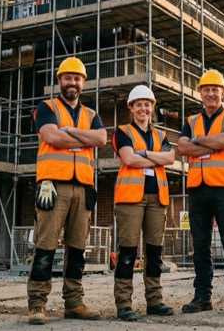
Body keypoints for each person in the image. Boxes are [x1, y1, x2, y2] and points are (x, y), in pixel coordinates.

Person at [27, 57, 107, 325]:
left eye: (77, 78)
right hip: (52, 186)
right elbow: (50, 136)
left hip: (83, 188)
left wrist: (69, 131)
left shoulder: (92, 115)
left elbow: (101, 139)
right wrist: (82, 137)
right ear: (59, 80)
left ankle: (74, 302)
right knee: (45, 246)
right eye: (67, 78)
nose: (72, 82)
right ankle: (37, 304)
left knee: (77, 249)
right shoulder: (46, 107)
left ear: (83, 82)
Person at [177, 69, 224, 316]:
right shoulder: (191, 120)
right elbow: (181, 147)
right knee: (200, 245)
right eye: (206, 89)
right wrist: (204, 142)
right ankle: (202, 296)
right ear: (200, 93)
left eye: (214, 89)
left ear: (222, 92)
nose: (210, 93)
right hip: (197, 189)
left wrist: (196, 141)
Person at [111, 85, 176, 321]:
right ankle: (124, 304)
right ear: (131, 107)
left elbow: (170, 158)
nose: (143, 108)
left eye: (147, 104)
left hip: (157, 199)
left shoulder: (160, 135)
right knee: (127, 251)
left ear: (152, 107)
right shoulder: (122, 131)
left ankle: (155, 300)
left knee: (154, 251)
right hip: (130, 199)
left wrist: (145, 154)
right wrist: (154, 157)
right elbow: (128, 158)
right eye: (138, 104)